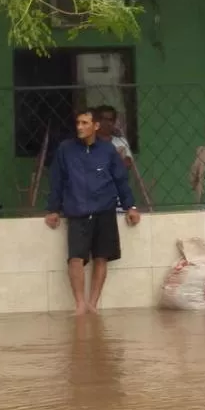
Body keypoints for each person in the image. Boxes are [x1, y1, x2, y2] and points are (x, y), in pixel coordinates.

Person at [45, 108, 141, 316]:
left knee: (101, 257)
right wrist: (53, 209)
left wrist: (130, 207)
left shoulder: (108, 150)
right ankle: (80, 304)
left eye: (85, 123)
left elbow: (120, 180)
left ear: (95, 126)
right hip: (77, 211)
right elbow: (57, 181)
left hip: (104, 210)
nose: (80, 127)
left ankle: (92, 304)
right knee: (75, 259)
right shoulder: (66, 149)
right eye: (78, 123)